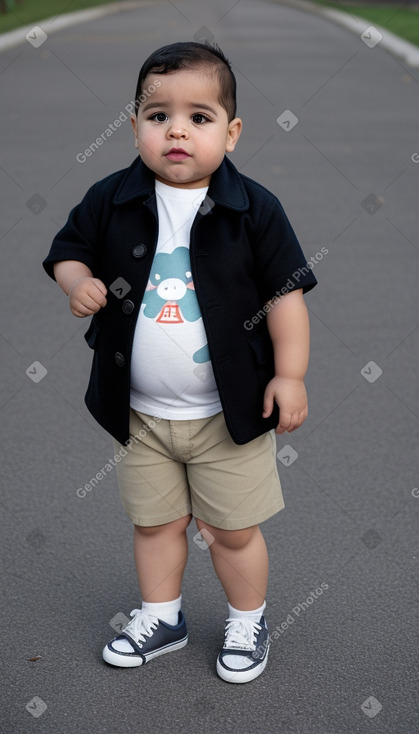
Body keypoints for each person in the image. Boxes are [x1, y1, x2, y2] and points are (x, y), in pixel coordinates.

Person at [43, 41, 317, 683]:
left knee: (232, 532)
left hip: (230, 417)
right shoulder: (111, 197)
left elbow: (286, 297)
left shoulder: (255, 209)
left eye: (199, 117)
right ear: (134, 124)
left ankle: (248, 620)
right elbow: (67, 249)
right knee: (155, 523)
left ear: (232, 130)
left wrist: (290, 372)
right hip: (140, 415)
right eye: (157, 114)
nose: (176, 131)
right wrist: (75, 280)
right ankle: (162, 614)